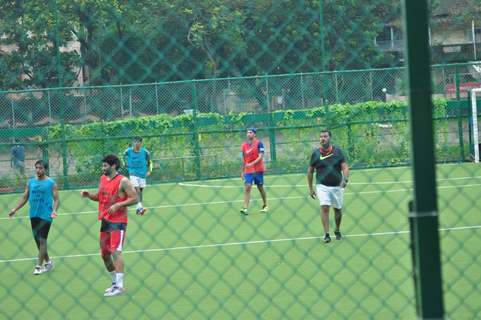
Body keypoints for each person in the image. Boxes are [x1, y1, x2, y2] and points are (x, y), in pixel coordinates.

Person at [81, 155, 137, 297]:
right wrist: (89, 195)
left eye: (105, 165)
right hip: (105, 220)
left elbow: (135, 198)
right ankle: (114, 283)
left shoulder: (123, 181)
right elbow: (101, 197)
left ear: (113, 166)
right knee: (104, 254)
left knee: (115, 252)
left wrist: (119, 204)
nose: (103, 168)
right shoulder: (102, 179)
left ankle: (120, 286)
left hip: (118, 221)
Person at [8, 160, 59, 274]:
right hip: (33, 214)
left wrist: (54, 210)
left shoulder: (51, 183)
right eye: (36, 168)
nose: (38, 170)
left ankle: (38, 267)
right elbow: (25, 197)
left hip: (46, 215)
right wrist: (15, 209)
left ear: (45, 169)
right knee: (38, 241)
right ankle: (48, 262)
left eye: (40, 168)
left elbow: (56, 199)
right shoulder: (30, 182)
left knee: (42, 240)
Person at [307, 130, 349, 243]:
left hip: (337, 186)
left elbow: (345, 167)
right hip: (322, 185)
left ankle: (337, 229)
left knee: (338, 209)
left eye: (325, 136)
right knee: (325, 207)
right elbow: (310, 171)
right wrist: (310, 188)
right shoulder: (315, 153)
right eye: (321, 137)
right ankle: (326, 234)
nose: (322, 138)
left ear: (330, 138)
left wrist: (345, 179)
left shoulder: (338, 152)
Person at [240, 128, 268, 215]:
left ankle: (265, 205)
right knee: (247, 186)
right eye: (247, 132)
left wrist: (252, 163)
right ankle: (245, 208)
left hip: (258, 169)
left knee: (260, 187)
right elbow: (244, 159)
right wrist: (243, 170)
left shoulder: (259, 143)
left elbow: (261, 156)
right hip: (248, 170)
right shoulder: (244, 145)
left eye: (250, 132)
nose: (248, 134)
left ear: (254, 134)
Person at [123, 137, 151, 216]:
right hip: (133, 173)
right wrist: (126, 166)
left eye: (138, 142)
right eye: (135, 142)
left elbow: (149, 162)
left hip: (142, 174)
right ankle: (140, 208)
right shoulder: (128, 151)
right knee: (137, 190)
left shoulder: (145, 152)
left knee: (140, 192)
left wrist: (149, 171)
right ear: (133, 142)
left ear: (141, 143)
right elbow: (123, 158)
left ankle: (138, 208)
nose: (136, 143)